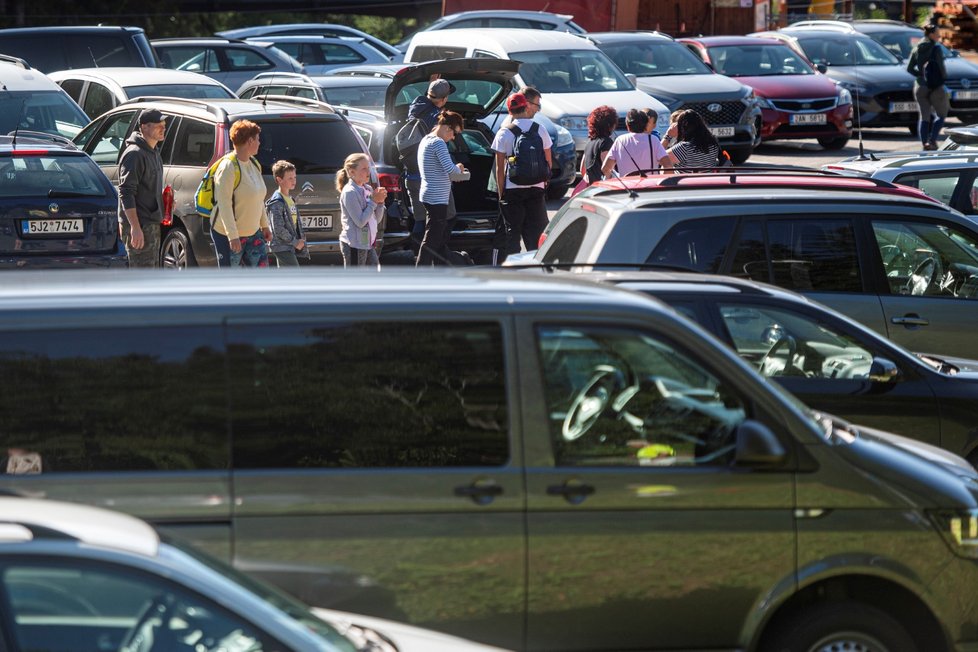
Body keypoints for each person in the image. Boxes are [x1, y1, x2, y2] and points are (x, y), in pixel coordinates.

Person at [492, 92, 552, 265]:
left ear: (510, 111)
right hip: (536, 188)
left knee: (513, 232)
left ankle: (513, 268)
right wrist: (543, 183)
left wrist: (501, 193)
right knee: (537, 231)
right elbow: (548, 160)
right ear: (526, 107)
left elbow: (499, 168)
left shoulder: (504, 133)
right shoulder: (540, 129)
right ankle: (537, 267)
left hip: (513, 189)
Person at [211, 119, 272, 268]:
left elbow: (258, 199)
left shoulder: (254, 164)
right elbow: (224, 204)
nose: (259, 143)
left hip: (254, 234)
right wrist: (233, 237)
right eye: (257, 139)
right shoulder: (228, 167)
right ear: (250, 141)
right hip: (229, 235)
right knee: (231, 283)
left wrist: (265, 226)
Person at [405, 78, 457, 244]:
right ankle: (436, 256)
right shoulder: (437, 120)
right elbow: (445, 153)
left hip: (413, 174)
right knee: (446, 219)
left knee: (421, 220)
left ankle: (419, 256)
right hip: (435, 180)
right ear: (443, 100)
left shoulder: (415, 108)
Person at [117, 107, 166, 268]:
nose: (163, 128)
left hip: (151, 225)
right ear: (144, 127)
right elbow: (126, 192)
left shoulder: (154, 151)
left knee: (150, 279)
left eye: (164, 124)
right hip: (140, 226)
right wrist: (135, 227)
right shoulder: (135, 154)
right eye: (158, 124)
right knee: (140, 280)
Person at [417, 111, 466, 266]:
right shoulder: (438, 143)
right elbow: (450, 170)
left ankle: (441, 271)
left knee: (437, 239)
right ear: (447, 128)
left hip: (429, 195)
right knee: (431, 240)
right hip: (437, 198)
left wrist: (454, 169)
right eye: (455, 133)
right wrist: (458, 168)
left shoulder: (426, 139)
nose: (453, 138)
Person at [337, 152, 386, 268]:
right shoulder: (350, 192)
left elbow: (376, 220)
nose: (368, 172)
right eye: (364, 168)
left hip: (367, 243)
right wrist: (374, 201)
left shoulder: (367, 188)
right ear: (351, 172)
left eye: (368, 168)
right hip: (354, 244)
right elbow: (360, 222)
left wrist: (380, 203)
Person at [907, 24, 949, 150]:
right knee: (941, 115)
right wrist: (941, 79)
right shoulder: (936, 49)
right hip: (936, 87)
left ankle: (925, 143)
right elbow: (942, 69)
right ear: (931, 35)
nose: (939, 35)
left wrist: (921, 75)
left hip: (920, 86)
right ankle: (933, 140)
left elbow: (909, 68)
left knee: (924, 116)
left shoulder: (916, 48)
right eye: (937, 33)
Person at [602, 108, 673, 178]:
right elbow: (669, 167)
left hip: (626, 187)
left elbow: (605, 168)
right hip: (649, 187)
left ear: (627, 125)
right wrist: (659, 180)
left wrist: (614, 179)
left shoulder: (619, 140)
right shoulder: (653, 140)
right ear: (646, 124)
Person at [266, 160, 307, 267]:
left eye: (295, 177)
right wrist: (295, 242)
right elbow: (278, 228)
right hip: (281, 246)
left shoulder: (290, 199)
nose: (293, 181)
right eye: (290, 178)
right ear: (279, 179)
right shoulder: (277, 202)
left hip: (288, 245)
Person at [580, 106, 618, 187]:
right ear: (610, 125)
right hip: (604, 189)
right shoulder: (606, 142)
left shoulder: (589, 142)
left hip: (592, 187)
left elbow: (582, 170)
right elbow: (608, 169)